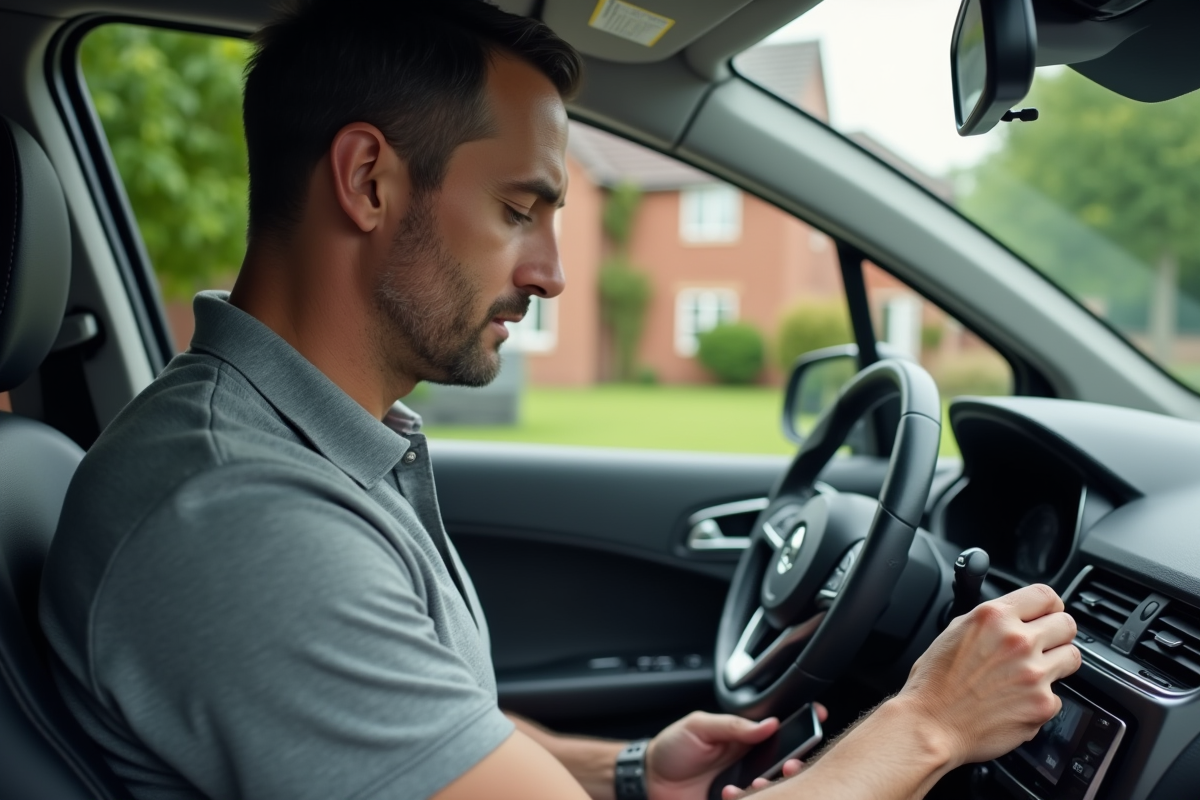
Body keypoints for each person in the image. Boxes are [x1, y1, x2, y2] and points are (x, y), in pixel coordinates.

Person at [39, 1, 1081, 799]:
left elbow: (423, 733)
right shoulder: (240, 517)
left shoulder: (290, 451)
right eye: (517, 208)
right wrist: (934, 721)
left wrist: (628, 772)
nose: (551, 274)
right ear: (366, 181)